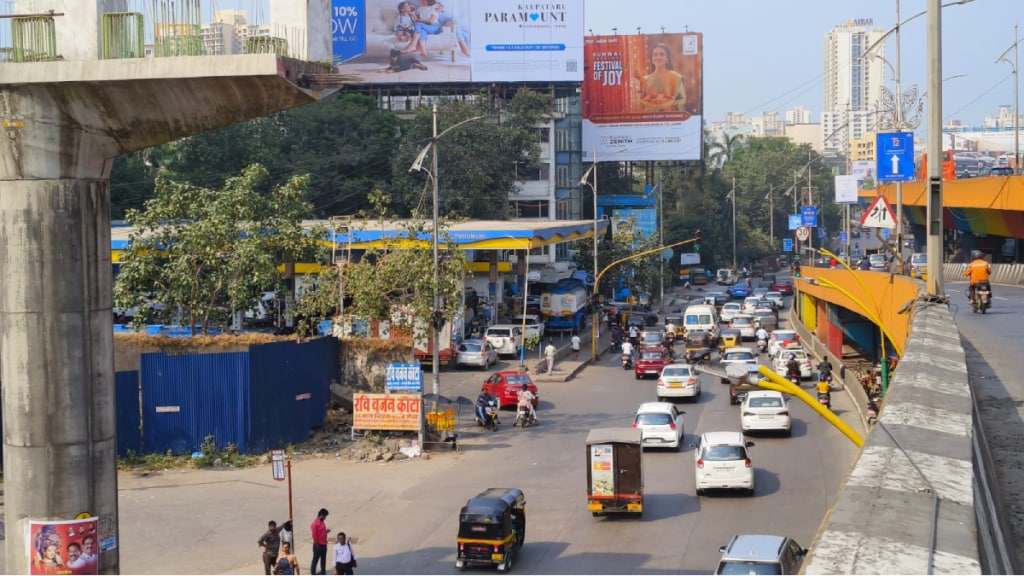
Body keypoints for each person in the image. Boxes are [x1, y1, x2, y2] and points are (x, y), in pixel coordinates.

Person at [633, 43, 686, 112]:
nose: (658, 57)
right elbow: (640, 104)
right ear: (652, 58)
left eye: (661, 54)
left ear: (667, 59)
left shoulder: (676, 77)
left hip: (668, 118)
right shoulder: (645, 79)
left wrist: (671, 103)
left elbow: (682, 100)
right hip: (649, 119)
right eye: (655, 54)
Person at [310, 509, 331, 575]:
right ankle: (313, 573)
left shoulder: (322, 522)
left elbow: (321, 532)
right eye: (325, 516)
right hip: (318, 545)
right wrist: (317, 544)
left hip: (324, 544)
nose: (325, 518)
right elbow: (314, 535)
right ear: (322, 515)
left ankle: (323, 572)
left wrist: (326, 531)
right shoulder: (315, 524)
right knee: (315, 560)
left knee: (323, 560)